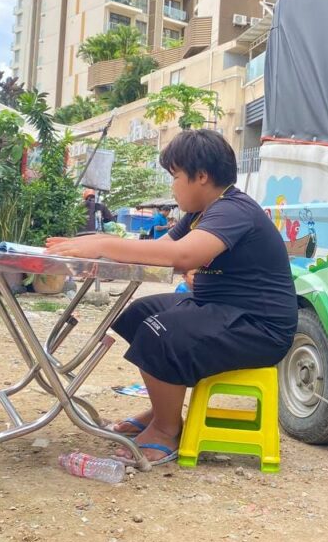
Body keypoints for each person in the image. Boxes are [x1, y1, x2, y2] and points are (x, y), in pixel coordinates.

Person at [46, 129, 297, 465]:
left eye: (175, 176)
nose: (172, 186)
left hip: (259, 327)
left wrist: (104, 245)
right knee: (139, 313)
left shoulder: (233, 210)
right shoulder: (201, 214)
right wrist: (100, 252)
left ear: (202, 176)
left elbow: (182, 257)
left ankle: (166, 430)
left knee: (158, 329)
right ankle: (163, 409)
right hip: (222, 310)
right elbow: (163, 249)